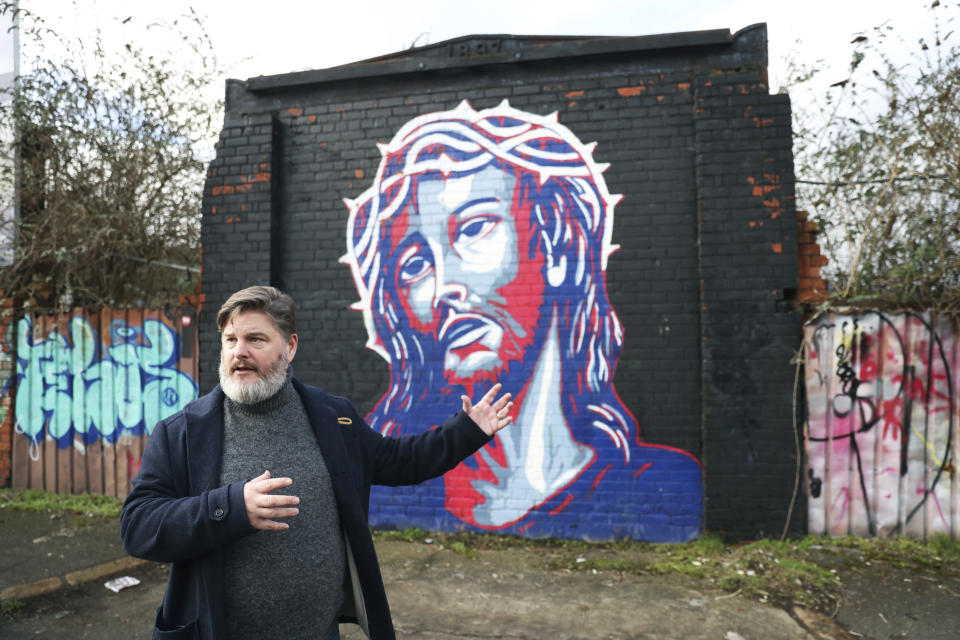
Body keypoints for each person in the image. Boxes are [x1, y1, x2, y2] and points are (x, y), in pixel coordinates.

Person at [343, 101, 702, 541]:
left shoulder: (664, 490)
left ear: (554, 240)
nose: (443, 290)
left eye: (473, 229)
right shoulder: (388, 490)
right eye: (414, 264)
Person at [120, 286, 514, 640]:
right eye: (231, 340)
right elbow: (138, 526)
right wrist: (231, 506)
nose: (239, 351)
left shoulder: (332, 417)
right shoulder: (183, 432)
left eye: (256, 339)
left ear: (290, 347)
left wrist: (467, 431)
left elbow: (399, 461)